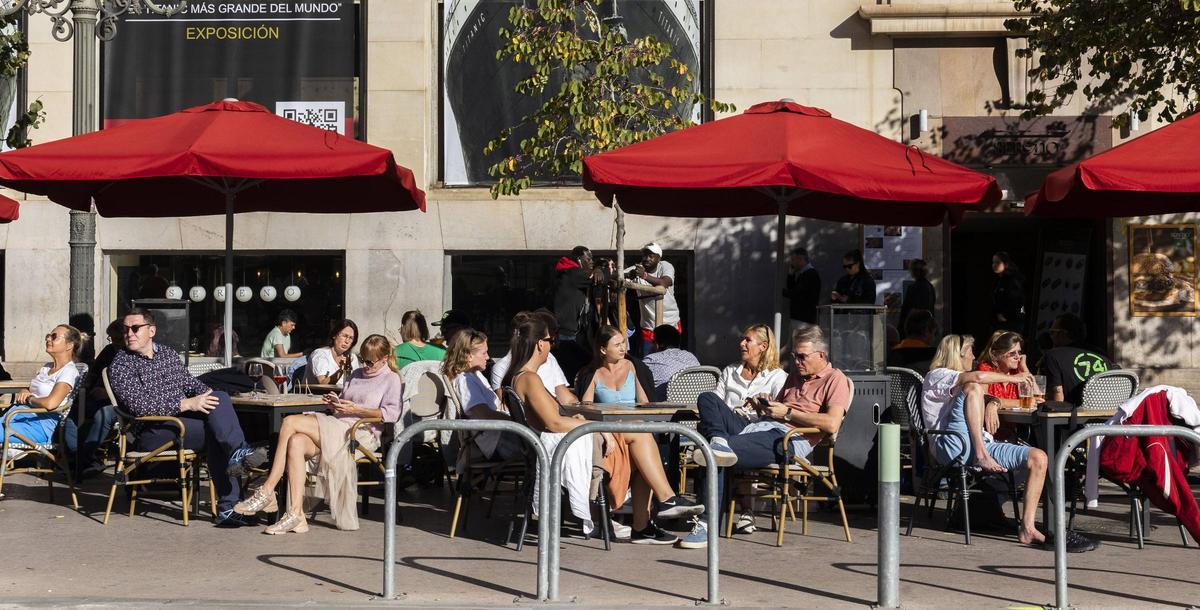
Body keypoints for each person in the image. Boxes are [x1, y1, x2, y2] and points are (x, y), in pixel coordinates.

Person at [503, 316, 702, 544]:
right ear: (540, 344)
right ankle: (663, 503)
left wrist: (586, 422)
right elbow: (554, 423)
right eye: (550, 340)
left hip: (563, 443)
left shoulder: (521, 377)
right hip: (564, 449)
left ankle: (648, 521)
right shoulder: (530, 378)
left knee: (643, 447)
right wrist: (598, 426)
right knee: (641, 440)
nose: (552, 345)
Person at [920, 334, 1094, 551]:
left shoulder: (966, 379)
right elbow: (978, 379)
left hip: (981, 441)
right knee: (974, 386)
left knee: (1039, 458)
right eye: (970, 352)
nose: (974, 356)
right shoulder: (937, 375)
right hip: (952, 445)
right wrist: (1015, 379)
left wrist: (1016, 378)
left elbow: (1036, 398)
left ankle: (1027, 527)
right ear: (958, 355)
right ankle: (982, 456)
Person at [681, 325, 849, 549]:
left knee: (711, 452)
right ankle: (719, 439)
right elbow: (777, 409)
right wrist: (764, 404)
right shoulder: (795, 376)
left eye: (802, 357)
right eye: (794, 356)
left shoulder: (835, 379)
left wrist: (788, 413)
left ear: (821, 355)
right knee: (707, 399)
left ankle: (707, 524)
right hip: (760, 426)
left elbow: (831, 423)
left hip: (788, 439)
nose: (797, 362)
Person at [107, 308, 267, 527]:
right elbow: (140, 407)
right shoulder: (121, 364)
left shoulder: (167, 354)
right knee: (217, 432)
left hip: (182, 423)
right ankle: (231, 498)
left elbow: (191, 385)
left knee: (219, 398)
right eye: (126, 329)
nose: (129, 334)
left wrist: (208, 397)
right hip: (152, 430)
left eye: (135, 328)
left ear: (151, 331)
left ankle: (237, 457)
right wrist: (187, 403)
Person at [236, 334, 402, 533]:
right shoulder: (356, 374)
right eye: (362, 359)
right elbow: (344, 402)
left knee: (289, 422)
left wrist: (356, 409)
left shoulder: (391, 378)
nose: (365, 365)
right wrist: (335, 403)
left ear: (384, 359)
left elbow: (391, 414)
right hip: (338, 424)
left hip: (360, 433)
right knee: (296, 442)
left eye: (370, 362)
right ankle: (296, 515)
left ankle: (268, 490)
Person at [443, 329, 522, 462]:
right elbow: (482, 413)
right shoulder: (465, 380)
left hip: (502, 435)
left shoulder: (475, 375)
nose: (488, 357)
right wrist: (516, 421)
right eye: (484, 353)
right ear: (469, 356)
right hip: (496, 441)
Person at [1, 325, 84, 450]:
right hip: (21, 416)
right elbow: (33, 390)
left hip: (41, 425)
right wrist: (24, 391)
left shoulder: (68, 371)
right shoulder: (47, 367)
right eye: (48, 336)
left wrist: (29, 399)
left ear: (69, 345)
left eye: (54, 337)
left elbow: (51, 403)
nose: (48, 339)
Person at [491, 311, 580, 405]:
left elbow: (565, 397)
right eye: (549, 340)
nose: (552, 345)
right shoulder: (506, 369)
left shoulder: (549, 358)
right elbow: (506, 407)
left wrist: (583, 406)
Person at [70, 320, 123, 477]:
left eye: (118, 338)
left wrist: (109, 393)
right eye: (111, 338)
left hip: (119, 402)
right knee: (72, 411)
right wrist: (88, 387)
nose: (114, 342)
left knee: (103, 414)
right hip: (96, 397)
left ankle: (85, 458)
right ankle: (74, 455)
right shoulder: (109, 350)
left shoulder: (133, 354)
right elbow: (94, 371)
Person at [1044, 313, 1113, 404]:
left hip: (1074, 411)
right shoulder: (1101, 354)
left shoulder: (1053, 355)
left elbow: (1057, 397)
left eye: (1052, 332)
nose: (1050, 336)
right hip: (1107, 409)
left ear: (1062, 334)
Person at [630, 242, 680, 355]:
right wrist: (599, 269)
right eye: (645, 255)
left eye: (651, 256)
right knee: (648, 359)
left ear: (659, 258)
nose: (647, 258)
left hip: (670, 324)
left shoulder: (665, 266)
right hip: (649, 326)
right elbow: (618, 275)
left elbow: (664, 283)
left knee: (670, 357)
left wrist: (644, 276)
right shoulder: (638, 269)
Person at [580, 326, 650, 404]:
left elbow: (643, 401)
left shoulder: (633, 366)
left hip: (634, 412)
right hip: (605, 412)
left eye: (623, 342)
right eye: (617, 345)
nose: (623, 349)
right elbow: (587, 404)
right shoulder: (593, 374)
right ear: (603, 350)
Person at [641, 324, 700, 401]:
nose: (651, 345)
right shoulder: (691, 357)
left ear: (660, 344)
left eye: (653, 342)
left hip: (665, 405)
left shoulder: (651, 360)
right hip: (694, 402)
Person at [553, 246, 598, 342]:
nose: (592, 262)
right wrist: (602, 271)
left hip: (569, 330)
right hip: (566, 333)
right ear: (579, 259)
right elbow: (597, 279)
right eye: (588, 259)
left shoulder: (569, 272)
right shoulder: (573, 273)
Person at [976, 330, 1031, 405]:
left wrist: (1024, 368)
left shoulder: (1017, 370)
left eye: (1019, 352)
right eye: (1012, 353)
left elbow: (1037, 398)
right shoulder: (985, 369)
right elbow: (983, 400)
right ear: (995, 354)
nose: (1018, 357)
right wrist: (1022, 403)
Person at [306, 319, 360, 386]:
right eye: (344, 336)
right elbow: (322, 384)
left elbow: (357, 383)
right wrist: (341, 370)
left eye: (351, 338)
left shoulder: (352, 358)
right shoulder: (320, 354)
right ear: (334, 335)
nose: (347, 341)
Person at [888, 309, 938, 374]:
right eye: (934, 334)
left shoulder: (892, 353)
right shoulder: (933, 357)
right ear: (926, 331)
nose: (933, 338)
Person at [784, 247, 822, 326]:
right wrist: (791, 274)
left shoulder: (810, 274)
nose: (792, 263)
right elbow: (792, 289)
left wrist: (782, 292)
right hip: (801, 318)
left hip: (804, 320)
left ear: (800, 259)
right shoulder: (804, 274)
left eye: (793, 260)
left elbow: (796, 293)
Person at [991, 251, 1026, 333]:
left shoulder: (1012, 280)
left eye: (997, 262)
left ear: (1006, 264)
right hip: (1002, 322)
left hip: (1011, 323)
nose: (994, 265)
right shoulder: (999, 279)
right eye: (993, 262)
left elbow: (1019, 300)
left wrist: (1005, 316)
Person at [899, 259, 936, 335]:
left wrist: (902, 327)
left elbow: (908, 309)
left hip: (915, 329)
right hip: (926, 328)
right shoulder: (930, 287)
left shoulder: (913, 287)